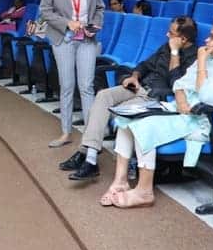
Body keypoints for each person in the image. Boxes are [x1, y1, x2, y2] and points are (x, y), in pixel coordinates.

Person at [106, 19, 213, 208]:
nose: (207, 41)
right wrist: (182, 99)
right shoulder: (212, 58)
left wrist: (201, 63)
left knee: (143, 125)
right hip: (182, 111)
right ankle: (120, 181)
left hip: (204, 120)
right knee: (126, 119)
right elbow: (180, 83)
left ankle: (144, 191)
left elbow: (206, 95)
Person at [61, 17, 198, 180]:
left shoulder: (193, 58)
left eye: (171, 33)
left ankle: (89, 159)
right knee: (103, 96)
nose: (167, 35)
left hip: (156, 97)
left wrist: (175, 53)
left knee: (117, 110)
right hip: (139, 87)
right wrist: (134, 77)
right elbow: (144, 65)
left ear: (183, 39)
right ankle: (88, 155)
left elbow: (177, 84)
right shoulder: (165, 47)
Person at [40, 0, 104, 148]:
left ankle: (90, 138)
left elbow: (99, 8)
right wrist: (67, 23)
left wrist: (94, 26)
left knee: (87, 87)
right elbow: (45, 11)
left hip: (86, 39)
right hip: (64, 38)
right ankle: (66, 132)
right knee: (67, 86)